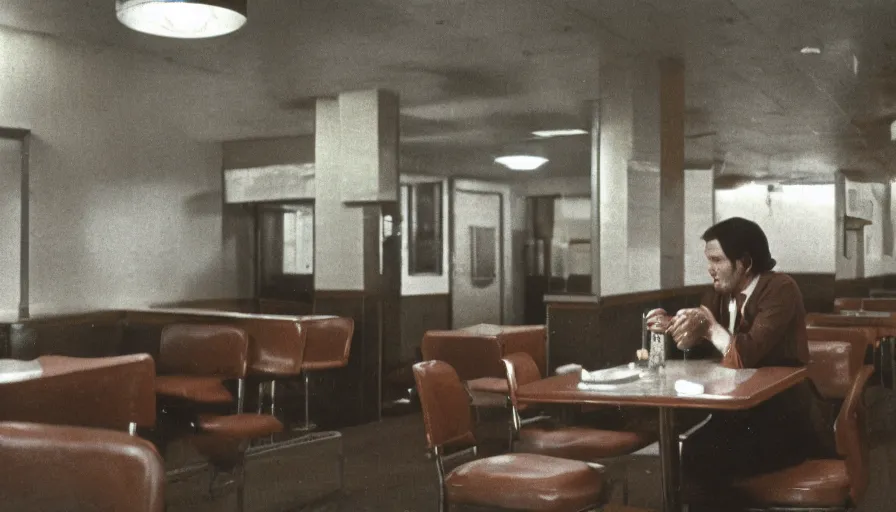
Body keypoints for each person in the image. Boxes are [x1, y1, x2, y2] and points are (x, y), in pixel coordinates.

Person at [647, 217, 832, 505]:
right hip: (738, 415)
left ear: (744, 262)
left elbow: (745, 354)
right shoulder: (718, 292)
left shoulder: (780, 289)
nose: (710, 269)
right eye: (709, 260)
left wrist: (707, 327)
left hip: (785, 419)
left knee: (701, 456)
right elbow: (700, 341)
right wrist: (671, 326)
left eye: (718, 260)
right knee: (699, 452)